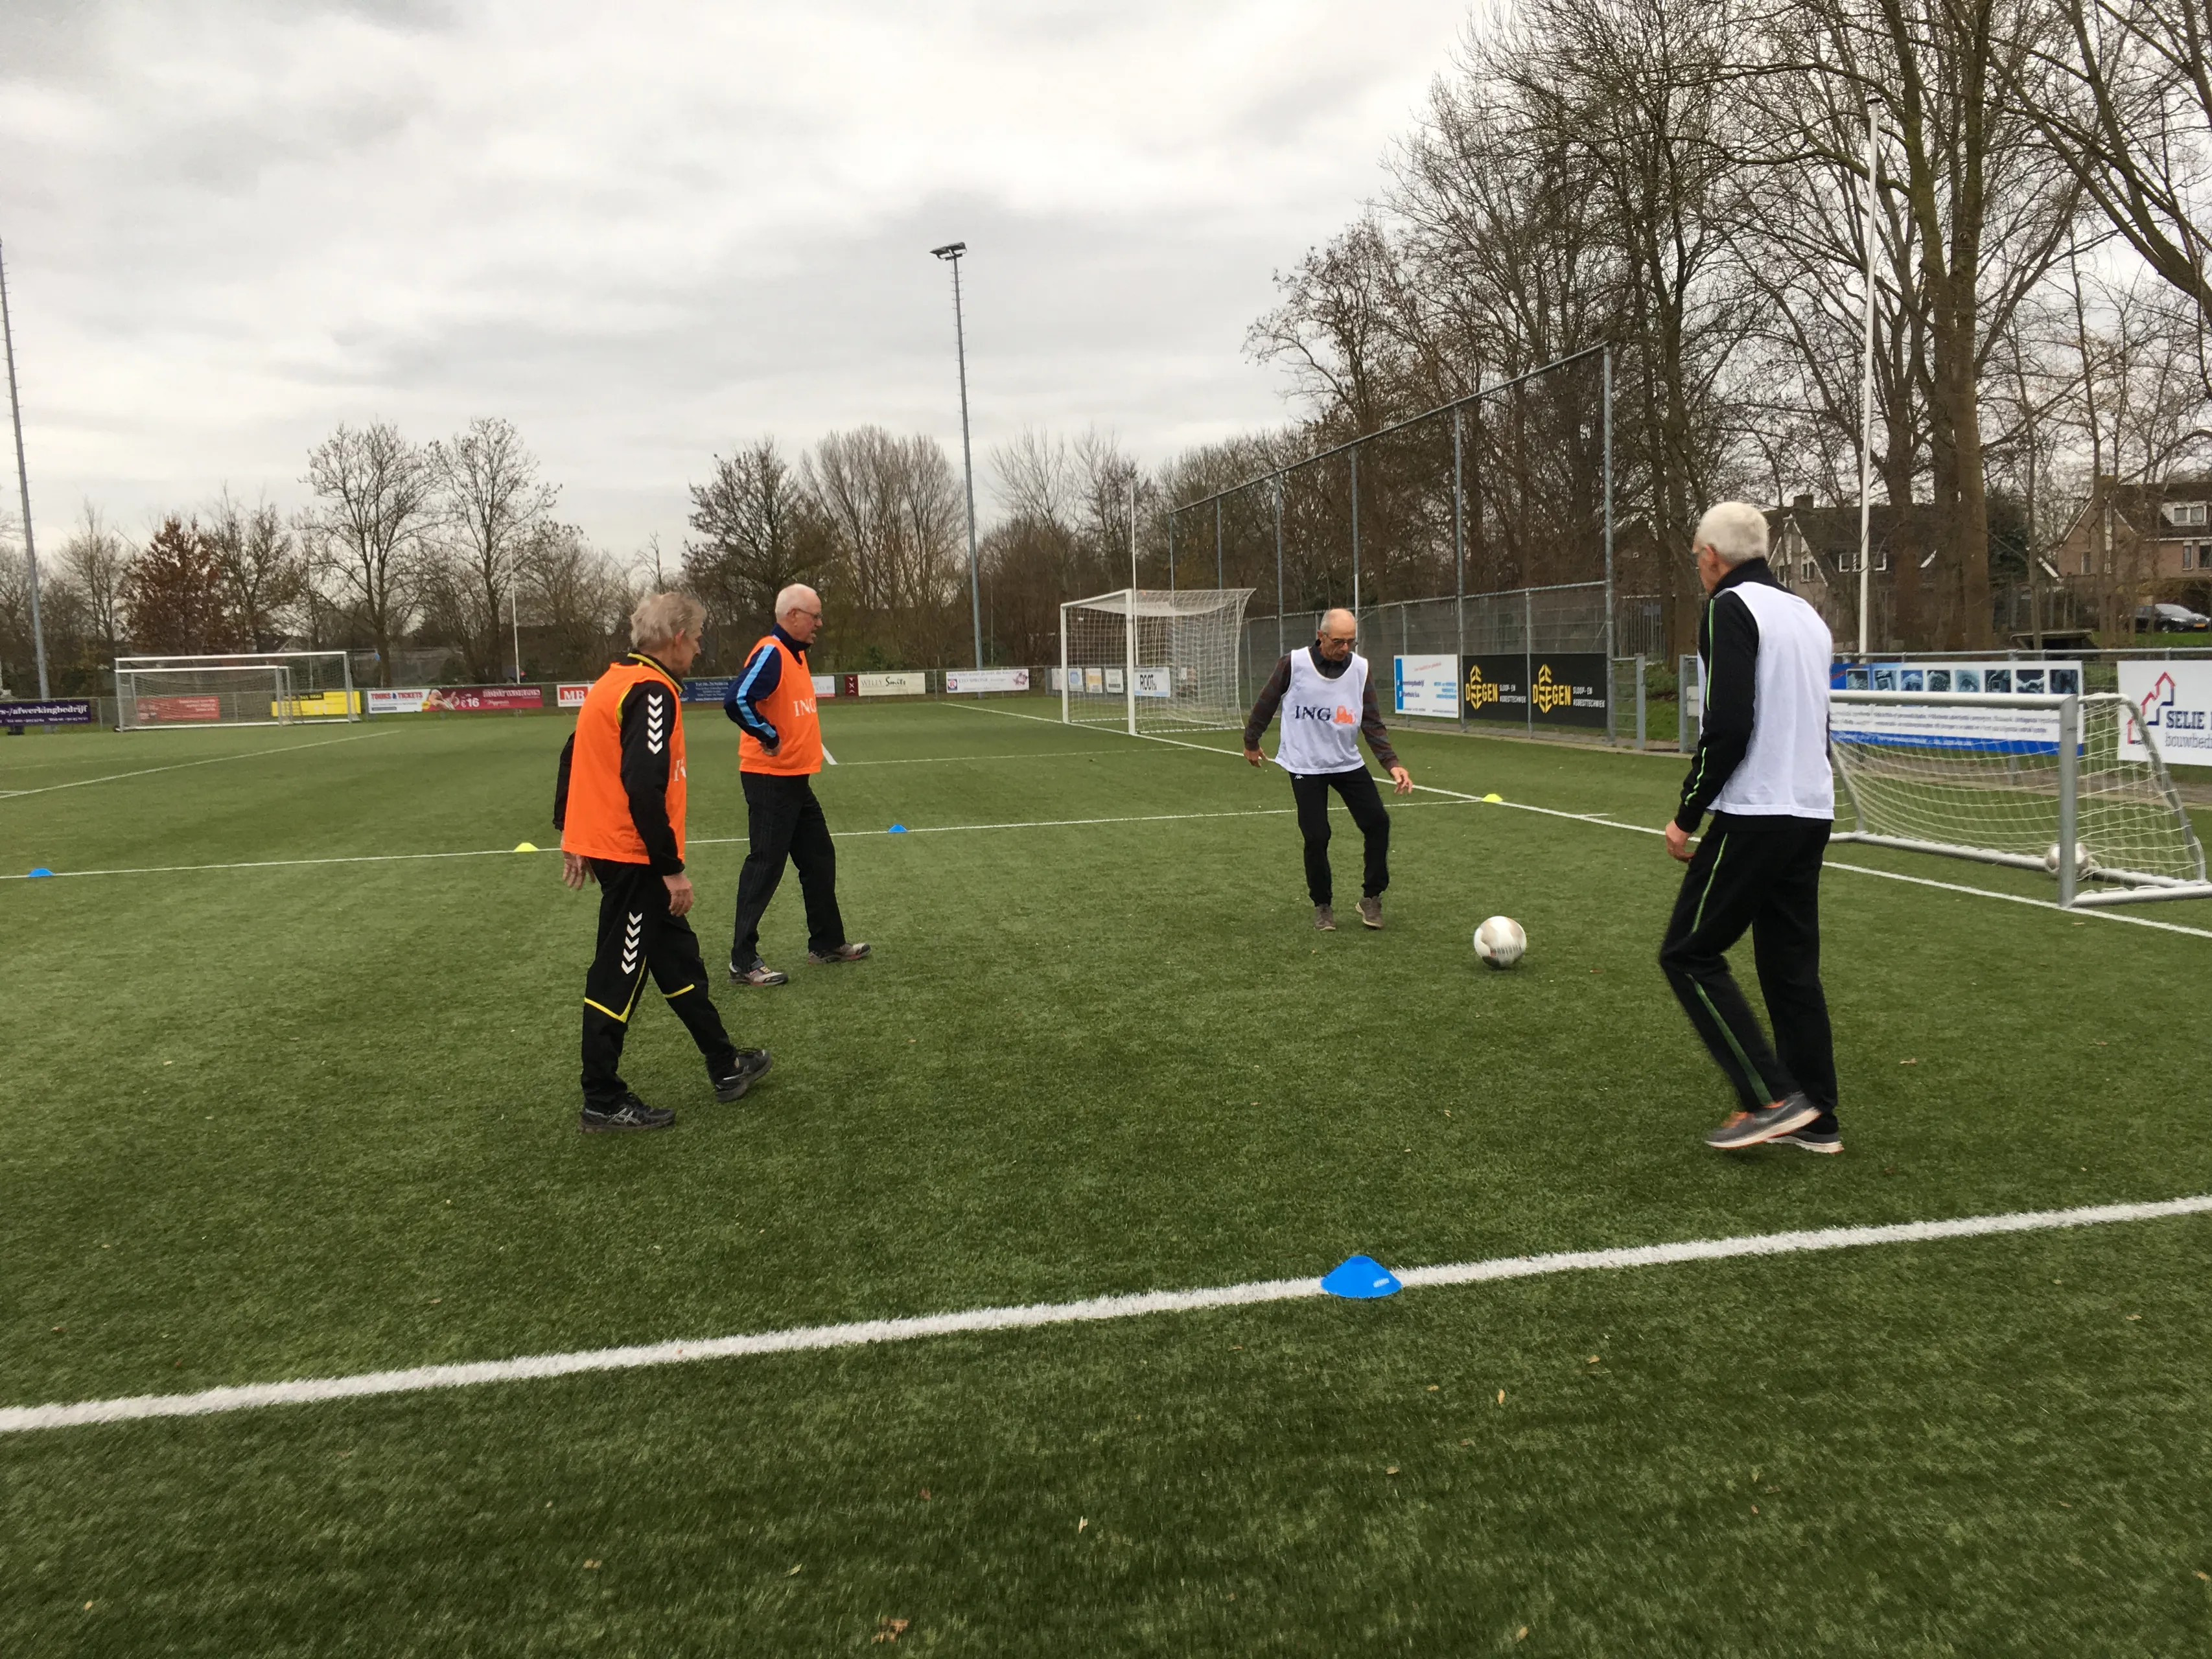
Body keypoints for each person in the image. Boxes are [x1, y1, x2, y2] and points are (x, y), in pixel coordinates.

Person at [1659, 502, 1841, 1154]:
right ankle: (1817, 1116)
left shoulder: (1728, 607)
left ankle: (1770, 1096)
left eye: (1695, 558)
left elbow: (1728, 724)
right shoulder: (1807, 616)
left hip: (1755, 810)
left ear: (1710, 555)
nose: (1697, 568)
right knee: (1789, 967)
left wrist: (1687, 813)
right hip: (1810, 808)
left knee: (1687, 952)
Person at [554, 592, 771, 1133]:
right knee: (618, 973)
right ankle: (601, 1098)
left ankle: (725, 1066)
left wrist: (573, 831)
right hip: (635, 860)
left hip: (618, 850)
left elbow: (572, 752)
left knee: (678, 962)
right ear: (676, 638)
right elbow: (644, 787)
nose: (699, 650)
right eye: (697, 639)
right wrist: (669, 866)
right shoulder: (652, 691)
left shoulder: (612, 680)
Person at [723, 583, 869, 985]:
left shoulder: (795, 655)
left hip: (795, 780)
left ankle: (826, 943)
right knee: (765, 866)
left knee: (819, 857)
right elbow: (737, 700)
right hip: (770, 780)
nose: (819, 623)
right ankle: (742, 960)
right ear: (792, 616)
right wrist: (768, 736)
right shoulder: (772, 651)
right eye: (814, 615)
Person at [1242, 608, 1414, 930]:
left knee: (1378, 823)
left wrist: (1392, 764)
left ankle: (1372, 897)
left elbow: (1372, 722)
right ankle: (1323, 904)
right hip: (1305, 763)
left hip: (1346, 762)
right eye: (1339, 641)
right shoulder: (1293, 664)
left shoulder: (1360, 669)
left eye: (1351, 642)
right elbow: (1267, 702)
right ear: (1321, 637)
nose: (1345, 648)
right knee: (1317, 836)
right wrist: (1251, 740)